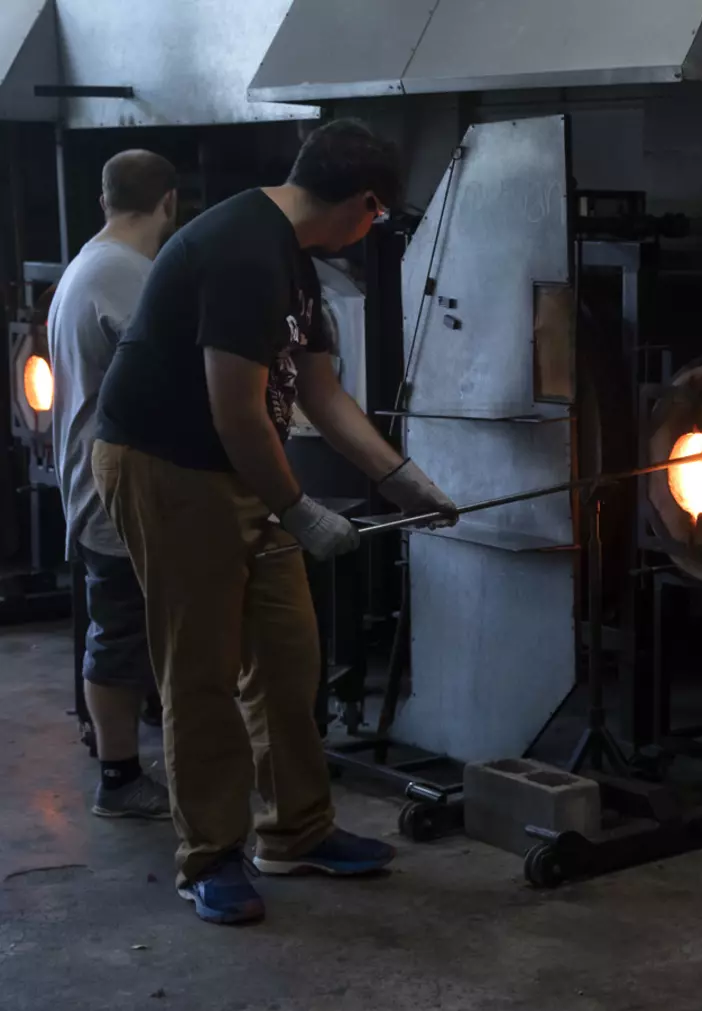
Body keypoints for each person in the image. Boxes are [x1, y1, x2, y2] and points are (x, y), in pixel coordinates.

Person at [91, 119, 458, 926]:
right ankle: (209, 856)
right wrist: (298, 506)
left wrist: (398, 478)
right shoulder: (244, 252)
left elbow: (319, 391)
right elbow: (236, 412)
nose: (372, 232)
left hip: (236, 465)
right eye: (378, 218)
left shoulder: (296, 262)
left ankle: (296, 830)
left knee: (288, 653)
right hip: (170, 465)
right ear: (365, 203)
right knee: (203, 668)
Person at [45, 149, 180, 821]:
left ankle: (122, 763)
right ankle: (119, 777)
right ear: (170, 203)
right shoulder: (126, 274)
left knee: (121, 625)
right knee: (122, 630)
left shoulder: (86, 266)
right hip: (113, 492)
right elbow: (169, 378)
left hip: (91, 480)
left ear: (103, 200)